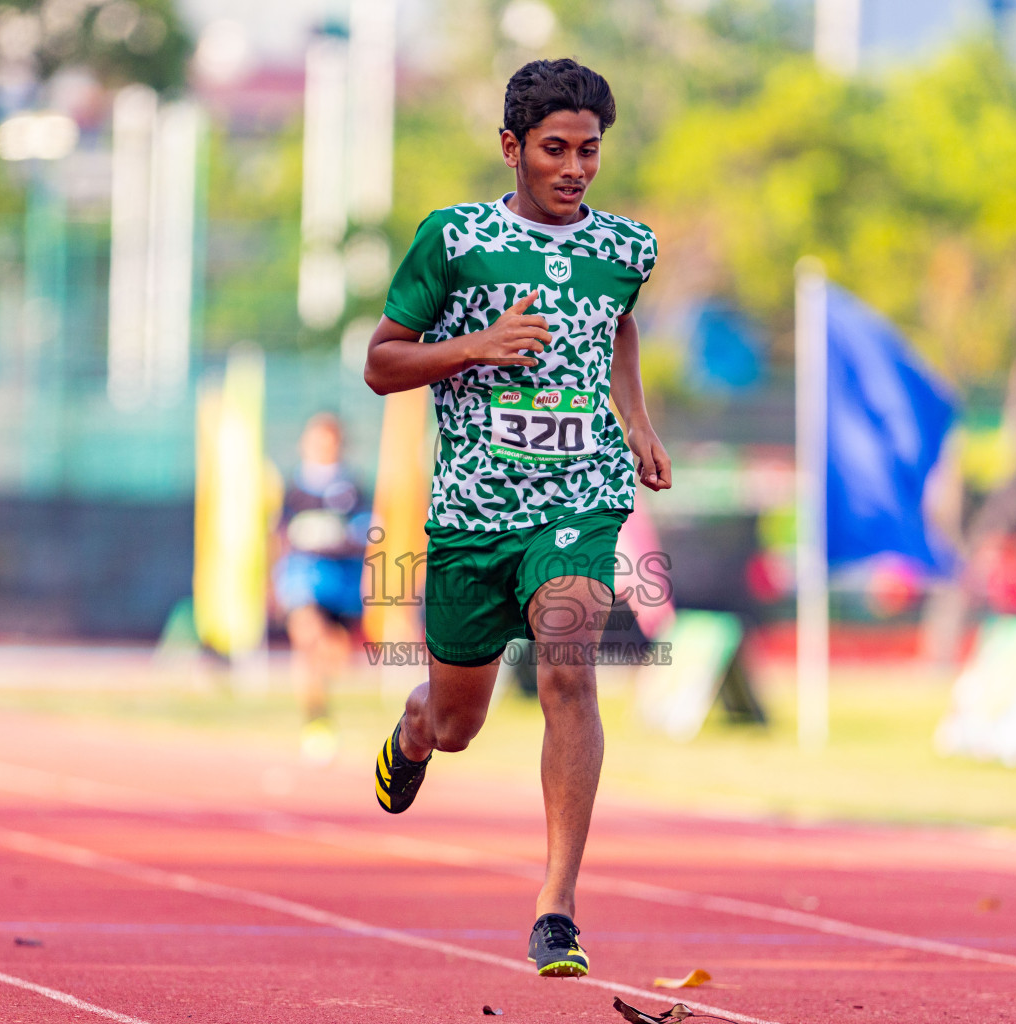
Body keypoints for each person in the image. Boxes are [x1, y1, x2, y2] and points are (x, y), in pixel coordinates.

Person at [362, 58, 671, 978]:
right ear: (512, 148)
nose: (575, 168)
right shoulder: (453, 239)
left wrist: (637, 421)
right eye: (554, 150)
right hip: (471, 513)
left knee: (570, 667)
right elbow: (383, 363)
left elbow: (617, 322)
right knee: (459, 722)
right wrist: (475, 348)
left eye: (589, 151)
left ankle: (556, 910)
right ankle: (414, 735)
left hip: (581, 494)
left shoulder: (628, 247)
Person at [273, 413, 371, 763]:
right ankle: (315, 722)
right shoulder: (292, 488)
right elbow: (279, 535)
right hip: (302, 578)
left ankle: (320, 710)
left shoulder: (351, 489)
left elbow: (365, 534)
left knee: (333, 653)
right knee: (307, 638)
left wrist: (336, 539)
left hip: (340, 583)